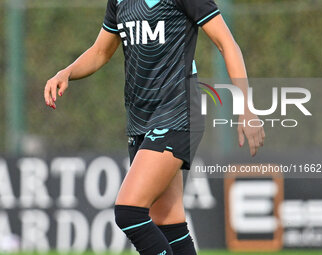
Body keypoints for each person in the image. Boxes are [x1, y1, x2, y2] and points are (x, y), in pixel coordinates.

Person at [44, 0, 265, 254]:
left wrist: (246, 107)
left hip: (179, 111)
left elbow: (227, 43)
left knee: (129, 212)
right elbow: (100, 52)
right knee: (168, 223)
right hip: (140, 119)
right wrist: (67, 72)